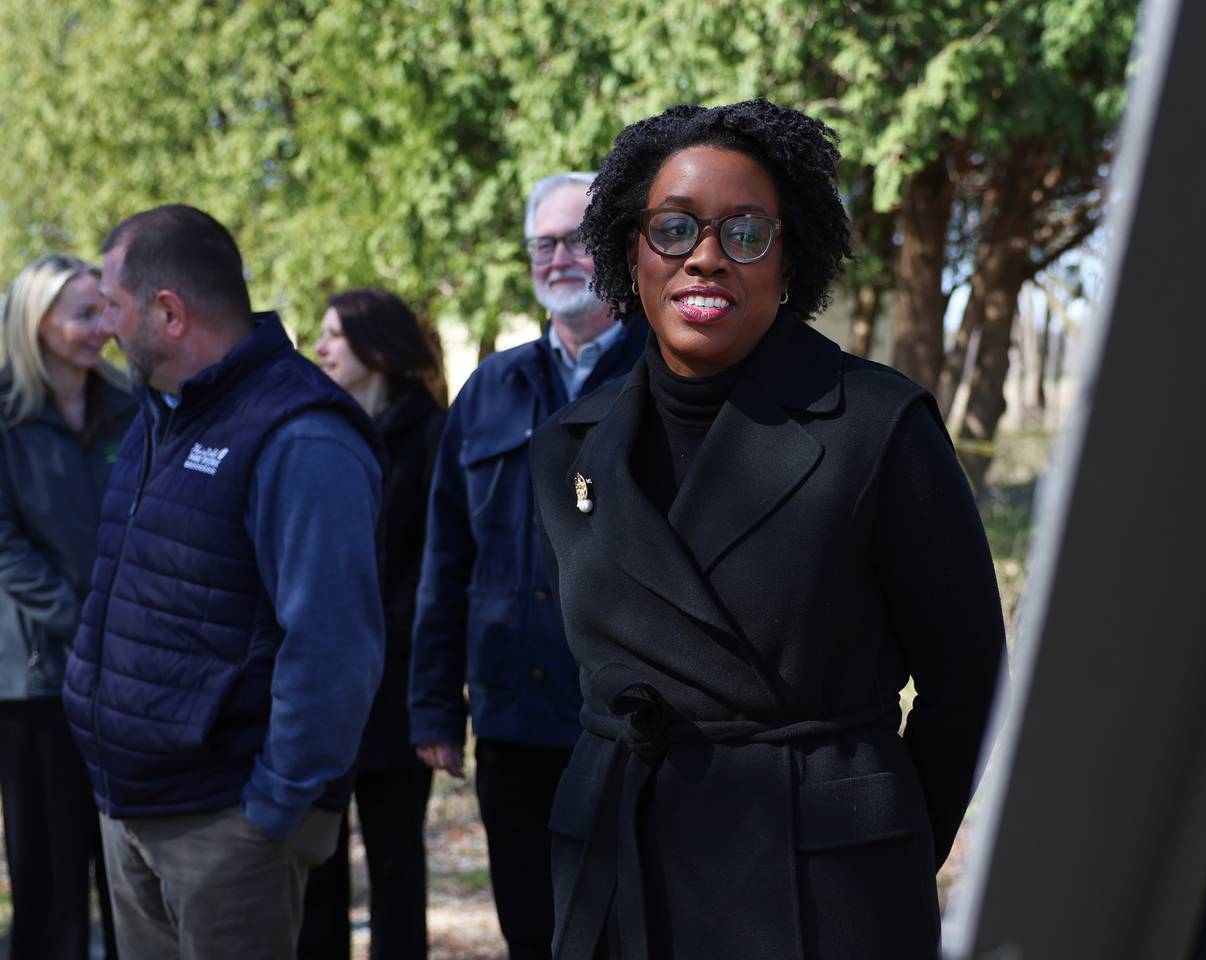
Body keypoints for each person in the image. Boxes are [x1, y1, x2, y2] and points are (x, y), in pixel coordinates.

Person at [530, 99, 1008, 959]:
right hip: (621, 876)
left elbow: (967, 679)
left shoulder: (877, 425)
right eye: (673, 229)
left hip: (815, 890)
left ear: (791, 258)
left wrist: (876, 851)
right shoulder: (569, 446)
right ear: (630, 251)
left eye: (745, 232)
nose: (705, 257)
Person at [61, 204, 386, 959]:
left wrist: (270, 813)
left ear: (168, 312)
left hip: (228, 825)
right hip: (133, 806)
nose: (105, 326)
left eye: (113, 305)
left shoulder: (301, 435)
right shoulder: (158, 412)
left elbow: (334, 649)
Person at [409, 171, 647, 960]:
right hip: (511, 727)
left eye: (576, 239)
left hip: (629, 729)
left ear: (615, 244)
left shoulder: (670, 378)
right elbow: (445, 556)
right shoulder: (488, 391)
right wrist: (435, 705)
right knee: (532, 933)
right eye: (542, 244)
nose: (558, 258)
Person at [299, 287, 446, 959]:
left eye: (335, 334)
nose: (321, 347)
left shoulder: (432, 434)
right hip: (321, 687)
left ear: (378, 347)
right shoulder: (317, 427)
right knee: (316, 865)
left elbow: (433, 567)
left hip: (395, 688)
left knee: (395, 865)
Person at [0, 254, 130, 960]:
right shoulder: (5, 412)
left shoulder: (133, 407)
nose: (101, 328)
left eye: (106, 311)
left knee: (128, 878)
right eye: (84, 314)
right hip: (38, 683)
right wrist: (81, 620)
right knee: (48, 887)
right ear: (37, 322)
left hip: (126, 678)